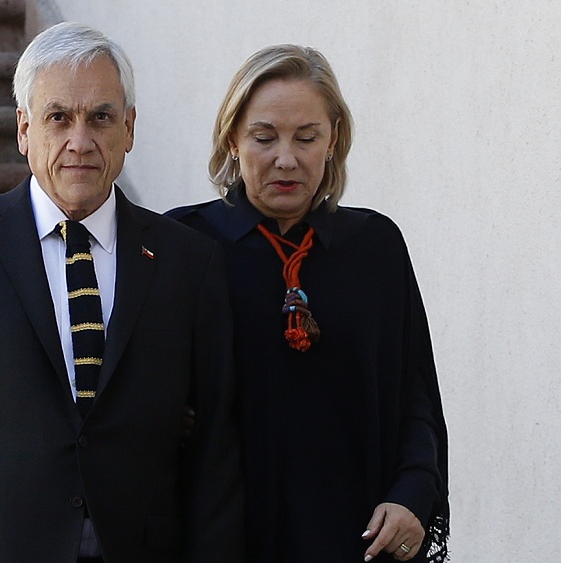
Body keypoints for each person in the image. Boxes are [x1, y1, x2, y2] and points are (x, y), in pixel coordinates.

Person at [0, 22, 244, 563]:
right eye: (58, 117)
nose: (79, 141)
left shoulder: (188, 262)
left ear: (129, 128)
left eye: (100, 117)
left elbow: (216, 449)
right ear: (24, 129)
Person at [168, 45, 449, 562]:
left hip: (356, 535)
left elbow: (415, 393)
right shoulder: (183, 245)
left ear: (333, 140)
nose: (286, 159)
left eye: (307, 137)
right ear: (232, 139)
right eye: (264, 137)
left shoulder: (375, 247)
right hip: (223, 539)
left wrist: (412, 494)